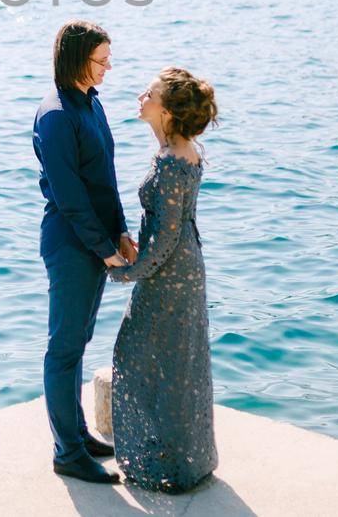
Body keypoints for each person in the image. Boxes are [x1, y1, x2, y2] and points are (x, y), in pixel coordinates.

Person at [106, 67, 220, 494]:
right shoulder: (176, 149)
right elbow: (166, 229)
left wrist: (126, 272)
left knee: (143, 355)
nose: (141, 96)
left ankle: (168, 462)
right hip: (179, 267)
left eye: (149, 93)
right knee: (174, 362)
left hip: (172, 273)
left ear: (167, 110)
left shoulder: (174, 159)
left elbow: (167, 237)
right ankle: (180, 455)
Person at [33, 20, 137, 484]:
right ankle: (67, 453)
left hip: (95, 242)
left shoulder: (91, 104)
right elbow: (70, 196)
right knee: (63, 349)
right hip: (71, 245)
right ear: (77, 60)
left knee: (78, 344)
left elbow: (105, 179)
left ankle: (77, 435)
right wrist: (102, 249)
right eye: (101, 60)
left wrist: (119, 234)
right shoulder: (56, 115)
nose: (108, 67)